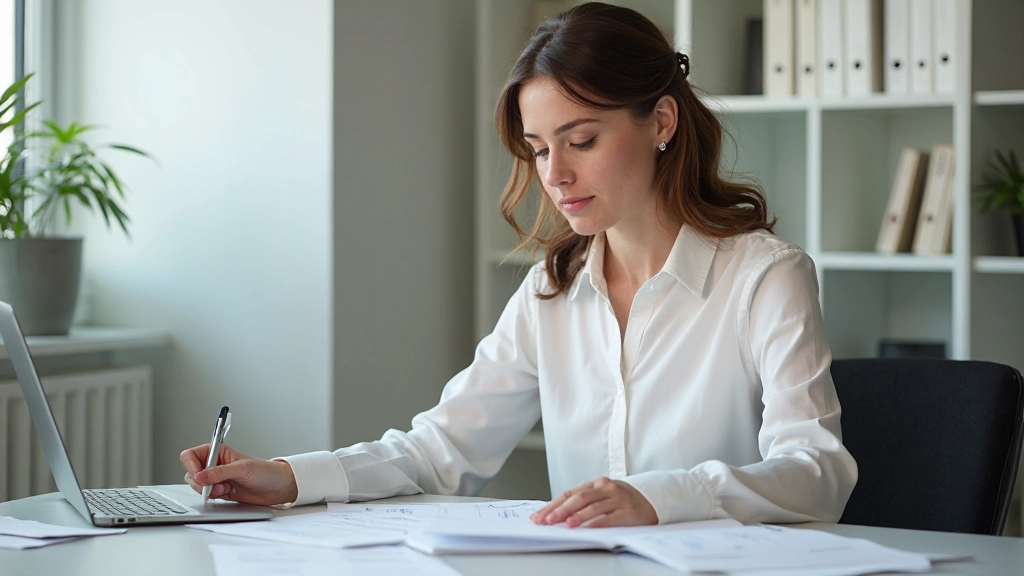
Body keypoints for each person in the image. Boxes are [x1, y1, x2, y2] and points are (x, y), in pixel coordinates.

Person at [181, 2, 857, 528]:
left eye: (582, 140)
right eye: (538, 149)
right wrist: (289, 477)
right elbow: (438, 450)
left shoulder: (765, 277)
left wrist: (659, 498)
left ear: (661, 123)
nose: (556, 175)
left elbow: (818, 473)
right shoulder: (552, 291)